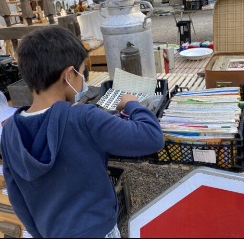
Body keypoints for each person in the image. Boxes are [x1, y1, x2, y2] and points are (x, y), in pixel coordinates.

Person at [0, 26, 164, 238]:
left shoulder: (10, 132)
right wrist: (133, 104)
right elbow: (151, 138)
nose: (83, 80)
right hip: (97, 231)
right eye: (81, 73)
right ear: (69, 75)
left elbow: (17, 199)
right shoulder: (84, 118)